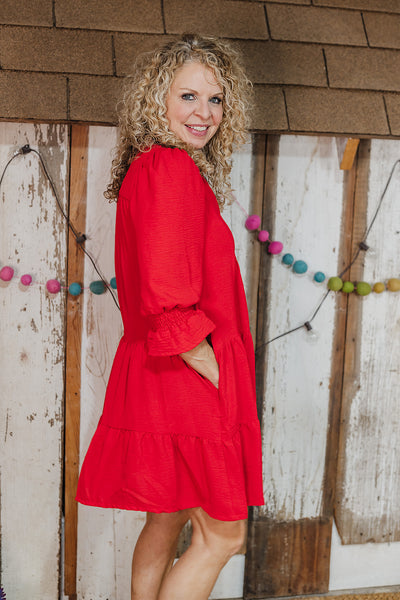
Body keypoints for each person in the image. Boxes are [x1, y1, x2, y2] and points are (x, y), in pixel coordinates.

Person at [76, 33, 264, 600]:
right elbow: (168, 292)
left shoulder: (149, 168)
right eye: (188, 97)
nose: (204, 113)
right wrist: (210, 369)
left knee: (169, 514)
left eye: (216, 100)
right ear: (156, 101)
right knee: (222, 536)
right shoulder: (171, 169)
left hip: (158, 369)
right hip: (186, 372)